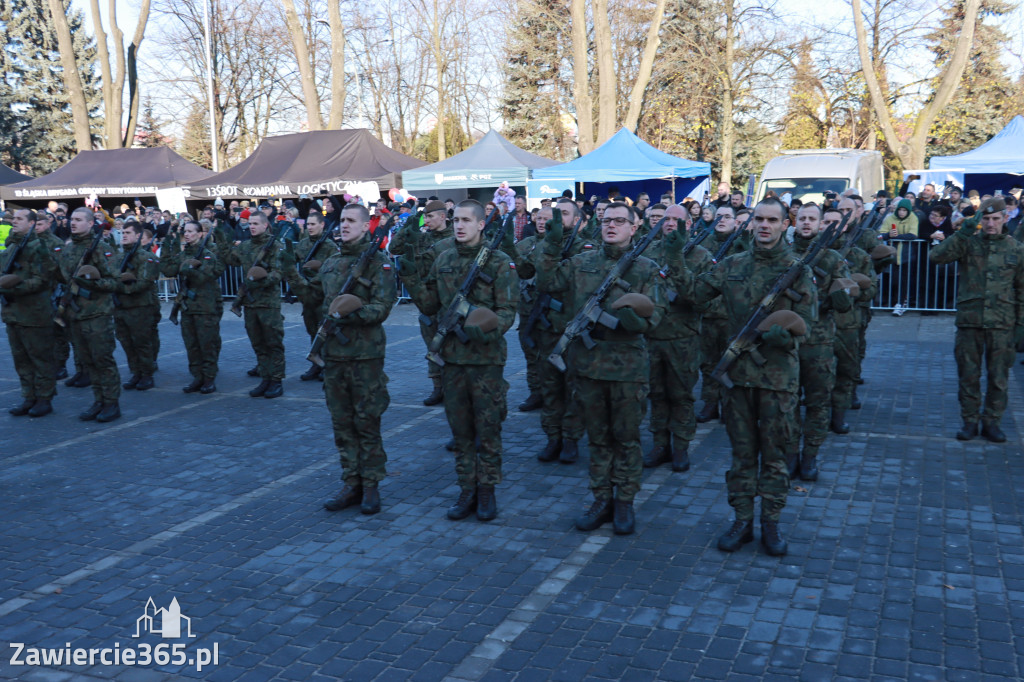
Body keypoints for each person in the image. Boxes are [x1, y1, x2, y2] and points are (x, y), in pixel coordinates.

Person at [673, 197, 818, 557]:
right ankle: (741, 520)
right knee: (741, 455)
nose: (765, 225)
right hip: (736, 379)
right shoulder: (732, 265)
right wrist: (675, 255)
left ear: (786, 224)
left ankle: (770, 523)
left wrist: (787, 336)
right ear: (750, 223)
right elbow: (693, 294)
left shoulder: (799, 270)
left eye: (773, 219)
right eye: (759, 219)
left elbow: (810, 327)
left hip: (777, 380)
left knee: (775, 456)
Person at [535, 201, 665, 536]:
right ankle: (601, 498)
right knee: (598, 439)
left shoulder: (646, 268)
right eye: (607, 220)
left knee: (626, 439)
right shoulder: (582, 262)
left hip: (627, 370)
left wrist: (634, 320)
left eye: (620, 221)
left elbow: (656, 319)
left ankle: (624, 501)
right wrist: (551, 243)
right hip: (589, 367)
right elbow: (547, 280)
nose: (612, 226)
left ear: (634, 228)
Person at [399, 199, 516, 522]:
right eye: (455, 220)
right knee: (461, 431)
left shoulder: (499, 262)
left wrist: (486, 328)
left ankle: (487, 490)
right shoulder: (444, 258)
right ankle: (467, 489)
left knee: (488, 429)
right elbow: (428, 304)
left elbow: (508, 311)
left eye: (466, 220)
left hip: (486, 361)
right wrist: (409, 275)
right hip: (452, 361)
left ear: (481, 224)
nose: (459, 225)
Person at [307, 204, 398, 515]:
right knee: (342, 423)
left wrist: (353, 312)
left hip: (365, 356)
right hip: (335, 355)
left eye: (351, 221)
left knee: (367, 421)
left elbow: (383, 307)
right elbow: (321, 304)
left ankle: (371, 484)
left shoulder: (378, 263)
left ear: (364, 226)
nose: (344, 226)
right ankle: (351, 482)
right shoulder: (331, 263)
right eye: (342, 220)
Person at [929, 197, 1024, 442]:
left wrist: (1021, 326)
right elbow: (936, 257)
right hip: (970, 322)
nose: (991, 224)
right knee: (968, 376)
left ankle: (992, 422)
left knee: (999, 379)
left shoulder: (1016, 249)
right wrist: (962, 234)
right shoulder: (968, 243)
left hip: (1002, 323)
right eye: (987, 218)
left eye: (995, 219)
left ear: (1005, 218)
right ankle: (970, 421)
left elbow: (1022, 290)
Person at [642, 204, 712, 472]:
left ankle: (681, 446)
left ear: (690, 224)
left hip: (683, 338)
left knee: (681, 395)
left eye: (676, 219)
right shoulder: (647, 252)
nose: (669, 223)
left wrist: (677, 262)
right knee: (656, 393)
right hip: (652, 336)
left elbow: (700, 298)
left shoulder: (701, 256)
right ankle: (660, 444)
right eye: (665, 219)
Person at [521, 199, 589, 464]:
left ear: (578, 221)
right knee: (549, 387)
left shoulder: (586, 247)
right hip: (547, 329)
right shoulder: (545, 246)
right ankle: (553, 437)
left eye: (565, 215)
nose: (559, 220)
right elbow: (536, 274)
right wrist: (551, 244)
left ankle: (571, 439)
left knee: (572, 388)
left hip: (574, 330)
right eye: (555, 215)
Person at [786, 203, 851, 481]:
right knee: (786, 404)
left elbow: (846, 297)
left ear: (822, 223)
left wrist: (842, 296)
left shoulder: (833, 259)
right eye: (802, 218)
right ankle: (789, 454)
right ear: (794, 221)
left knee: (817, 403)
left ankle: (810, 454)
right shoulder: (783, 254)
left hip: (819, 342)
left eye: (813, 219)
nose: (807, 223)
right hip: (787, 342)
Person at [56, 208, 122, 422]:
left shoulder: (102, 249)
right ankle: (98, 400)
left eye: (78, 220)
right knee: (87, 362)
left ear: (91, 223)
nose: (72, 223)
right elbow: (63, 279)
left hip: (97, 315)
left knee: (102, 360)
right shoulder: (68, 249)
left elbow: (114, 282)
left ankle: (111, 403)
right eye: (71, 219)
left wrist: (90, 283)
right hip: (75, 314)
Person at [389, 200, 454, 406]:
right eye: (425, 216)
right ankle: (437, 387)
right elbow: (394, 247)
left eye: (430, 216)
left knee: (451, 346)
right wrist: (409, 228)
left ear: (443, 216)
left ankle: (453, 386)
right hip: (424, 296)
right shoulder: (423, 237)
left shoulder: (454, 238)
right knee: (432, 346)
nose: (426, 220)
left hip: (446, 298)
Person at [217, 212, 286, 398]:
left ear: (265, 226)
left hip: (268, 304)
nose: (252, 226)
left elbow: (278, 273)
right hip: (250, 303)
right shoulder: (245, 246)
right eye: (250, 223)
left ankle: (277, 380)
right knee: (258, 343)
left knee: (273, 343)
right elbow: (230, 259)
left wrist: (259, 279)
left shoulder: (275, 247)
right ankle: (265, 378)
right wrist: (220, 236)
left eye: (256, 223)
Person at [1, 209, 59, 417]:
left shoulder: (39, 247)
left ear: (32, 223)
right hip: (13, 312)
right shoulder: (12, 245)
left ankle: (44, 398)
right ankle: (29, 396)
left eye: (19, 219)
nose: (13, 222)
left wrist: (12, 287)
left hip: (34, 313)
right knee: (21, 358)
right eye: (13, 218)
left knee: (40, 357)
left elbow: (43, 280)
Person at [697, 204, 749, 423]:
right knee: (708, 362)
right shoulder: (703, 244)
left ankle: (730, 405)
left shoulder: (742, 246)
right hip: (708, 315)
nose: (722, 220)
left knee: (732, 363)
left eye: (727, 216)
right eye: (718, 216)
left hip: (731, 316)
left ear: (735, 221)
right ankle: (710, 403)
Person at [160, 221, 225, 394]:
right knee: (192, 345)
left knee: (207, 344)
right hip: (188, 308)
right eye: (185, 231)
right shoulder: (184, 255)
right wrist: (167, 241)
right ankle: (197, 377)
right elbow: (167, 269)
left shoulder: (208, 254)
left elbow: (208, 275)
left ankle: (209, 378)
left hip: (206, 307)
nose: (187, 234)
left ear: (200, 234)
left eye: (190, 231)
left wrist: (192, 270)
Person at [828, 206, 877, 433]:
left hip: (847, 323)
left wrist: (854, 289)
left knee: (845, 371)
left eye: (836, 222)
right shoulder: (808, 254)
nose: (830, 227)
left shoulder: (858, 256)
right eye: (826, 221)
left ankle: (838, 416)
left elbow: (872, 288)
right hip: (817, 326)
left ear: (845, 226)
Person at [284, 211, 340, 381]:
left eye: (313, 224)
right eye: (308, 224)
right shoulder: (303, 244)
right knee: (312, 331)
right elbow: (293, 260)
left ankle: (326, 366)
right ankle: (316, 365)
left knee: (325, 332)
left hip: (322, 295)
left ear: (322, 225)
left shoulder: (329, 246)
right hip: (307, 295)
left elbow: (332, 271)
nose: (309, 227)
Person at [114, 220, 161, 392]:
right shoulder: (118, 257)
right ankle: (136, 372)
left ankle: (147, 374)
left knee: (142, 342)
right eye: (122, 233)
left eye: (127, 233)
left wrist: (118, 286)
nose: (124, 235)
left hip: (140, 307)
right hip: (121, 308)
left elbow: (143, 283)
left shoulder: (147, 258)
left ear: (138, 236)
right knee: (126, 342)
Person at [881, 199, 920, 309]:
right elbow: (881, 234)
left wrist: (896, 237)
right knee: (893, 281)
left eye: (904, 210)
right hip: (892, 255)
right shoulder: (890, 218)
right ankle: (892, 303)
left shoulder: (913, 217)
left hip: (907, 256)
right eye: (900, 210)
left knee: (904, 281)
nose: (901, 212)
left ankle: (901, 303)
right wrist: (888, 235)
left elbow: (913, 235)